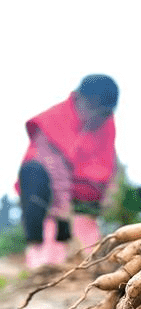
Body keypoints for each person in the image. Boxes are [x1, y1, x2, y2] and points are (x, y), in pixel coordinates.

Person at [16, 74, 120, 269]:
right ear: (80, 99)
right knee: (34, 174)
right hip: (49, 198)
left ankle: (83, 257)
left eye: (103, 113)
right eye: (94, 109)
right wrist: (63, 214)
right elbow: (56, 172)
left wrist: (109, 196)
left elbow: (110, 160)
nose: (97, 117)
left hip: (84, 202)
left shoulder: (105, 123)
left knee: (89, 254)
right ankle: (41, 255)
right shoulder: (54, 121)